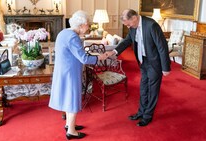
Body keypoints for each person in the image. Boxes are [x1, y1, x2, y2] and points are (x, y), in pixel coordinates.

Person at [106, 9, 171, 126]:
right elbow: (127, 41)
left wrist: (165, 67)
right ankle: (141, 112)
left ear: (134, 18)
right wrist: (114, 51)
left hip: (154, 63)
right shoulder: (133, 27)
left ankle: (148, 116)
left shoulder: (151, 25)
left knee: (152, 90)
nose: (128, 26)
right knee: (143, 88)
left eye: (128, 23)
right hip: (143, 61)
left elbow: (162, 46)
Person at [49, 10, 107, 139]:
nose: (88, 27)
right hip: (70, 72)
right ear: (82, 25)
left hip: (64, 70)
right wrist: (100, 58)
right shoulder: (73, 37)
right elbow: (84, 59)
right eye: (88, 24)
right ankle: (71, 131)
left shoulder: (64, 32)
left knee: (68, 98)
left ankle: (70, 125)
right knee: (72, 99)